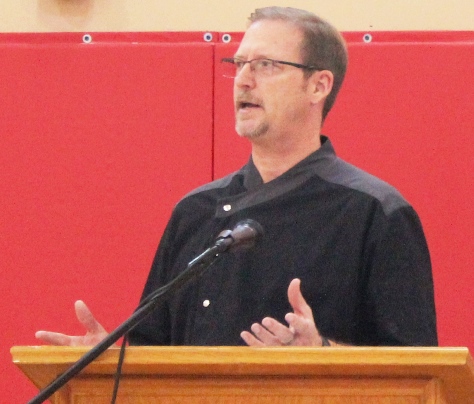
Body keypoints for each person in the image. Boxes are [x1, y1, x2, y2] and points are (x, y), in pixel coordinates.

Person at [36, 6, 437, 348]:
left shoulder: (375, 212)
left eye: (266, 65)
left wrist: (324, 352)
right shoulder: (196, 211)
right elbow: (154, 357)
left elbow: (418, 375)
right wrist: (108, 367)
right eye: (239, 64)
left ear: (318, 85)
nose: (243, 80)